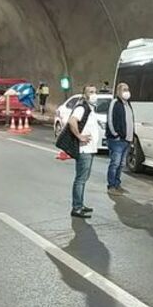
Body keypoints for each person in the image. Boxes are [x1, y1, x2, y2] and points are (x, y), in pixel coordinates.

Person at [68, 85, 100, 218]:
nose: (94, 94)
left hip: (90, 149)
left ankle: (80, 204)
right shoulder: (82, 108)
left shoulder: (90, 109)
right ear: (84, 95)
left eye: (95, 91)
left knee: (84, 178)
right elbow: (72, 121)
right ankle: (76, 208)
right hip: (84, 149)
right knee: (80, 179)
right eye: (90, 92)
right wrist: (79, 136)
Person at [106, 82, 134, 195]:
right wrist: (115, 134)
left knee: (121, 164)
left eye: (127, 89)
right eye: (124, 89)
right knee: (115, 163)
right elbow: (110, 120)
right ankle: (111, 185)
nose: (126, 92)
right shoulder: (115, 103)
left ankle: (117, 184)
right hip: (117, 140)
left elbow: (130, 121)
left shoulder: (128, 104)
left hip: (126, 140)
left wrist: (131, 137)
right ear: (118, 92)